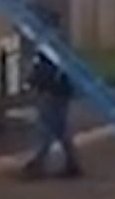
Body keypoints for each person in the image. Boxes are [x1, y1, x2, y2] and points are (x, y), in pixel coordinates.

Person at [22, 46, 84, 180]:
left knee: (47, 125)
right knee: (59, 127)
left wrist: (34, 81)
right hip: (58, 88)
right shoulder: (56, 43)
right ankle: (72, 163)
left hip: (53, 89)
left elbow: (46, 69)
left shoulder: (48, 45)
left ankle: (38, 165)